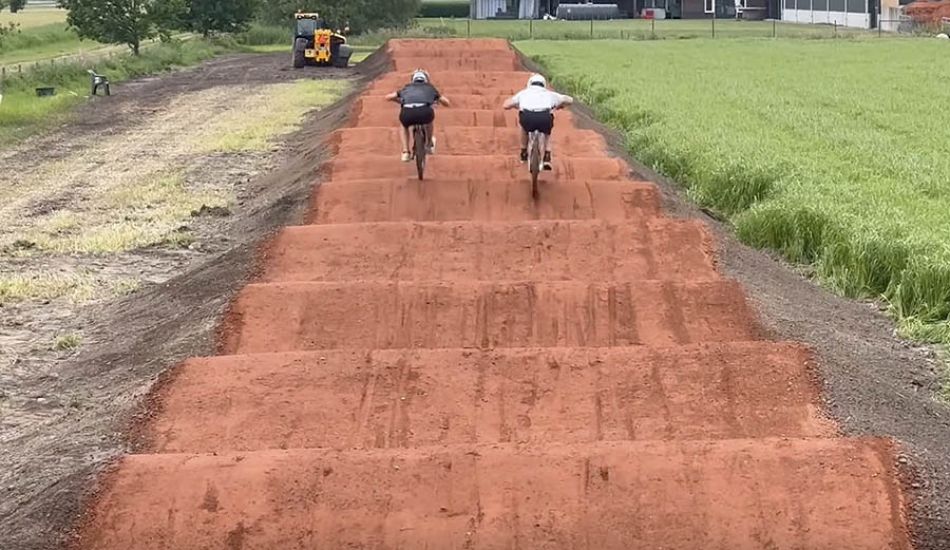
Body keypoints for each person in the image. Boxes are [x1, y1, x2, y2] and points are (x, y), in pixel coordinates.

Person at [503, 73, 573, 170]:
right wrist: (560, 105)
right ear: (543, 84)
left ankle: (523, 151)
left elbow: (505, 105)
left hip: (528, 118)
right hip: (544, 118)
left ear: (530, 84)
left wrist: (516, 106)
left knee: (524, 127)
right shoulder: (550, 94)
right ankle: (547, 157)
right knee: (547, 133)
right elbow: (569, 100)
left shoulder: (523, 93)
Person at [386, 69, 451, 162]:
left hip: (407, 113)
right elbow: (446, 102)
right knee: (429, 120)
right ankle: (429, 144)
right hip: (424, 112)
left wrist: (401, 101)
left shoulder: (406, 88)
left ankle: (405, 152)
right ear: (426, 79)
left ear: (413, 79)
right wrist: (438, 101)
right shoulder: (430, 88)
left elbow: (388, 97)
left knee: (404, 126)